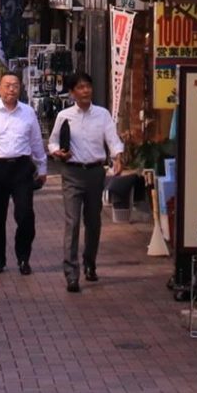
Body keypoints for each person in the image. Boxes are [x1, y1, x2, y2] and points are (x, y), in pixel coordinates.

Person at [48, 72, 124, 292]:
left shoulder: (102, 114)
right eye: (80, 87)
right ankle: (71, 273)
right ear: (72, 92)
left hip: (95, 173)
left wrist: (117, 157)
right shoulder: (64, 116)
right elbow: (53, 142)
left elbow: (113, 139)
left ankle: (90, 262)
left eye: (88, 86)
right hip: (72, 173)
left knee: (93, 222)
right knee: (72, 223)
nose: (85, 91)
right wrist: (57, 153)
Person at [0, 71, 48, 275]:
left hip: (21, 168)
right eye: (7, 85)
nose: (11, 89)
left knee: (25, 214)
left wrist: (42, 166)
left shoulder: (28, 112)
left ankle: (23, 257)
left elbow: (36, 142)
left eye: (15, 85)